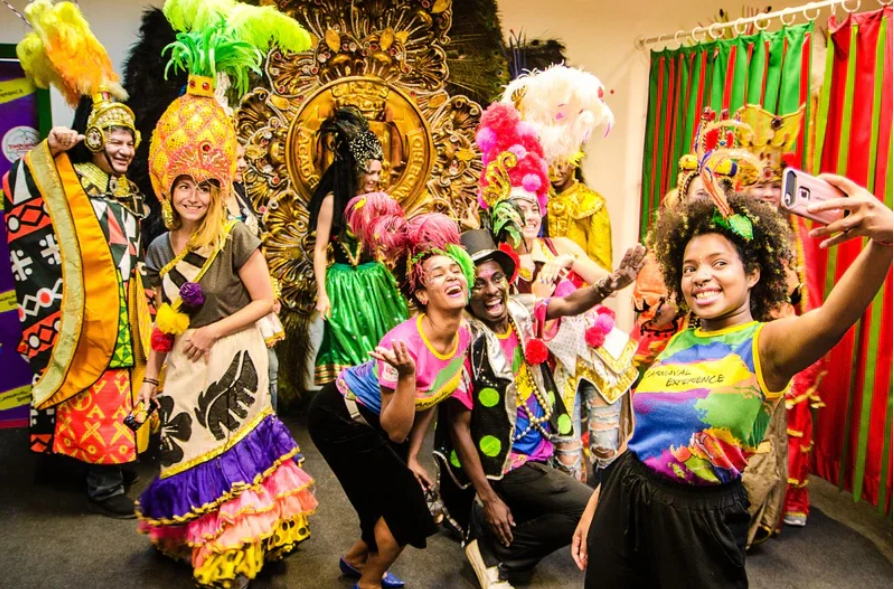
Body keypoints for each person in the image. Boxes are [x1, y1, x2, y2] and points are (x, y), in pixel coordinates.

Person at [573, 171, 892, 588]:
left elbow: (831, 322)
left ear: (753, 274)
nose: (701, 276)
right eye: (689, 268)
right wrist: (597, 502)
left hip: (696, 522)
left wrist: (884, 241)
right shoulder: (684, 336)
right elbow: (641, 440)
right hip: (624, 498)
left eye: (719, 263)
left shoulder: (766, 345)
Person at [134, 10, 316, 589]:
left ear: (218, 189)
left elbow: (267, 301)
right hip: (184, 366)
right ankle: (201, 536)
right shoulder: (160, 246)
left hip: (234, 354)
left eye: (203, 185)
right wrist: (150, 378)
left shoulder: (235, 234)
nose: (192, 195)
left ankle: (237, 550)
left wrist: (213, 330)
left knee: (239, 456)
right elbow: (160, 323)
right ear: (170, 186)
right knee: (193, 456)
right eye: (182, 184)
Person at [2, 1, 152, 518]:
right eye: (114, 135)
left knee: (126, 384)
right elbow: (15, 191)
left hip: (130, 307)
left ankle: (112, 463)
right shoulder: (72, 180)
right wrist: (47, 149)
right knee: (101, 389)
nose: (124, 145)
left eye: (130, 138)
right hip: (88, 311)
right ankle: (104, 485)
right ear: (93, 138)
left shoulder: (128, 190)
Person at [436, 229, 644, 589]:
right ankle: (505, 554)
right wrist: (487, 498)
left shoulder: (522, 310)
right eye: (479, 283)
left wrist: (610, 284)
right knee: (593, 506)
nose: (491, 290)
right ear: (467, 292)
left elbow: (571, 303)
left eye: (497, 278)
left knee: (568, 504)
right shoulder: (464, 342)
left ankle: (492, 540)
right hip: (505, 462)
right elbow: (458, 429)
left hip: (538, 446)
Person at [308, 211, 475, 589]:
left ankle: (354, 560)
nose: (452, 276)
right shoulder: (403, 344)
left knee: (392, 497)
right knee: (406, 511)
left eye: (455, 269)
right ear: (421, 294)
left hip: (378, 419)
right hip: (339, 416)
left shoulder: (462, 334)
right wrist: (407, 376)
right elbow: (394, 430)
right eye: (438, 274)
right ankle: (368, 582)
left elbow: (434, 397)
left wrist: (414, 457)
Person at [737, 104, 824, 530]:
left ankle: (779, 505)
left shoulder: (795, 232)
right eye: (759, 183)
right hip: (741, 336)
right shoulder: (731, 225)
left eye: (775, 184)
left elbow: (808, 296)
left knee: (784, 422)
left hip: (782, 332)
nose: (768, 192)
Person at [308, 107, 409, 385]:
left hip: (374, 280)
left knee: (383, 335)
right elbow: (319, 250)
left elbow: (384, 244)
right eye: (370, 172)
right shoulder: (332, 202)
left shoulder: (377, 201)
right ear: (355, 170)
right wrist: (322, 293)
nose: (376, 179)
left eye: (379, 172)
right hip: (342, 283)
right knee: (346, 341)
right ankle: (348, 396)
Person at [502, 65, 615, 271]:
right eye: (551, 165)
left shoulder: (591, 203)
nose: (557, 171)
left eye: (562, 164)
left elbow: (601, 266)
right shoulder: (534, 197)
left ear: (575, 162)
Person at [231, 144, 284, 411]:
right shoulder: (209, 204)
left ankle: (271, 432)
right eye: (237, 158)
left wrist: (270, 289)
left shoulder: (240, 196)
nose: (243, 165)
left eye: (243, 158)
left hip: (256, 294)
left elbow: (257, 249)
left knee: (271, 367)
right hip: (233, 299)